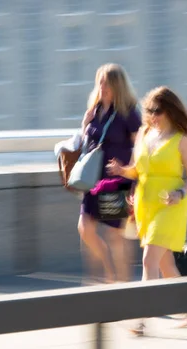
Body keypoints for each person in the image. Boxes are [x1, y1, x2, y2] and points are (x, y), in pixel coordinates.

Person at [107, 86, 187, 335]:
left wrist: (179, 194)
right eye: (149, 111)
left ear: (170, 109)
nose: (152, 116)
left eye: (157, 111)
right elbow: (137, 169)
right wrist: (120, 170)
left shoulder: (183, 141)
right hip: (145, 204)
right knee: (166, 264)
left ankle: (140, 318)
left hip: (171, 205)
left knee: (149, 260)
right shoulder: (145, 134)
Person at [78, 63, 142, 284]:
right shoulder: (94, 110)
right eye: (100, 82)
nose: (103, 87)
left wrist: (127, 171)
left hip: (115, 181)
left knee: (115, 236)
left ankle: (122, 286)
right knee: (85, 229)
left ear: (118, 86)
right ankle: (106, 273)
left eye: (108, 83)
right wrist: (84, 124)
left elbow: (140, 146)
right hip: (92, 179)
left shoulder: (128, 112)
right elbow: (84, 143)